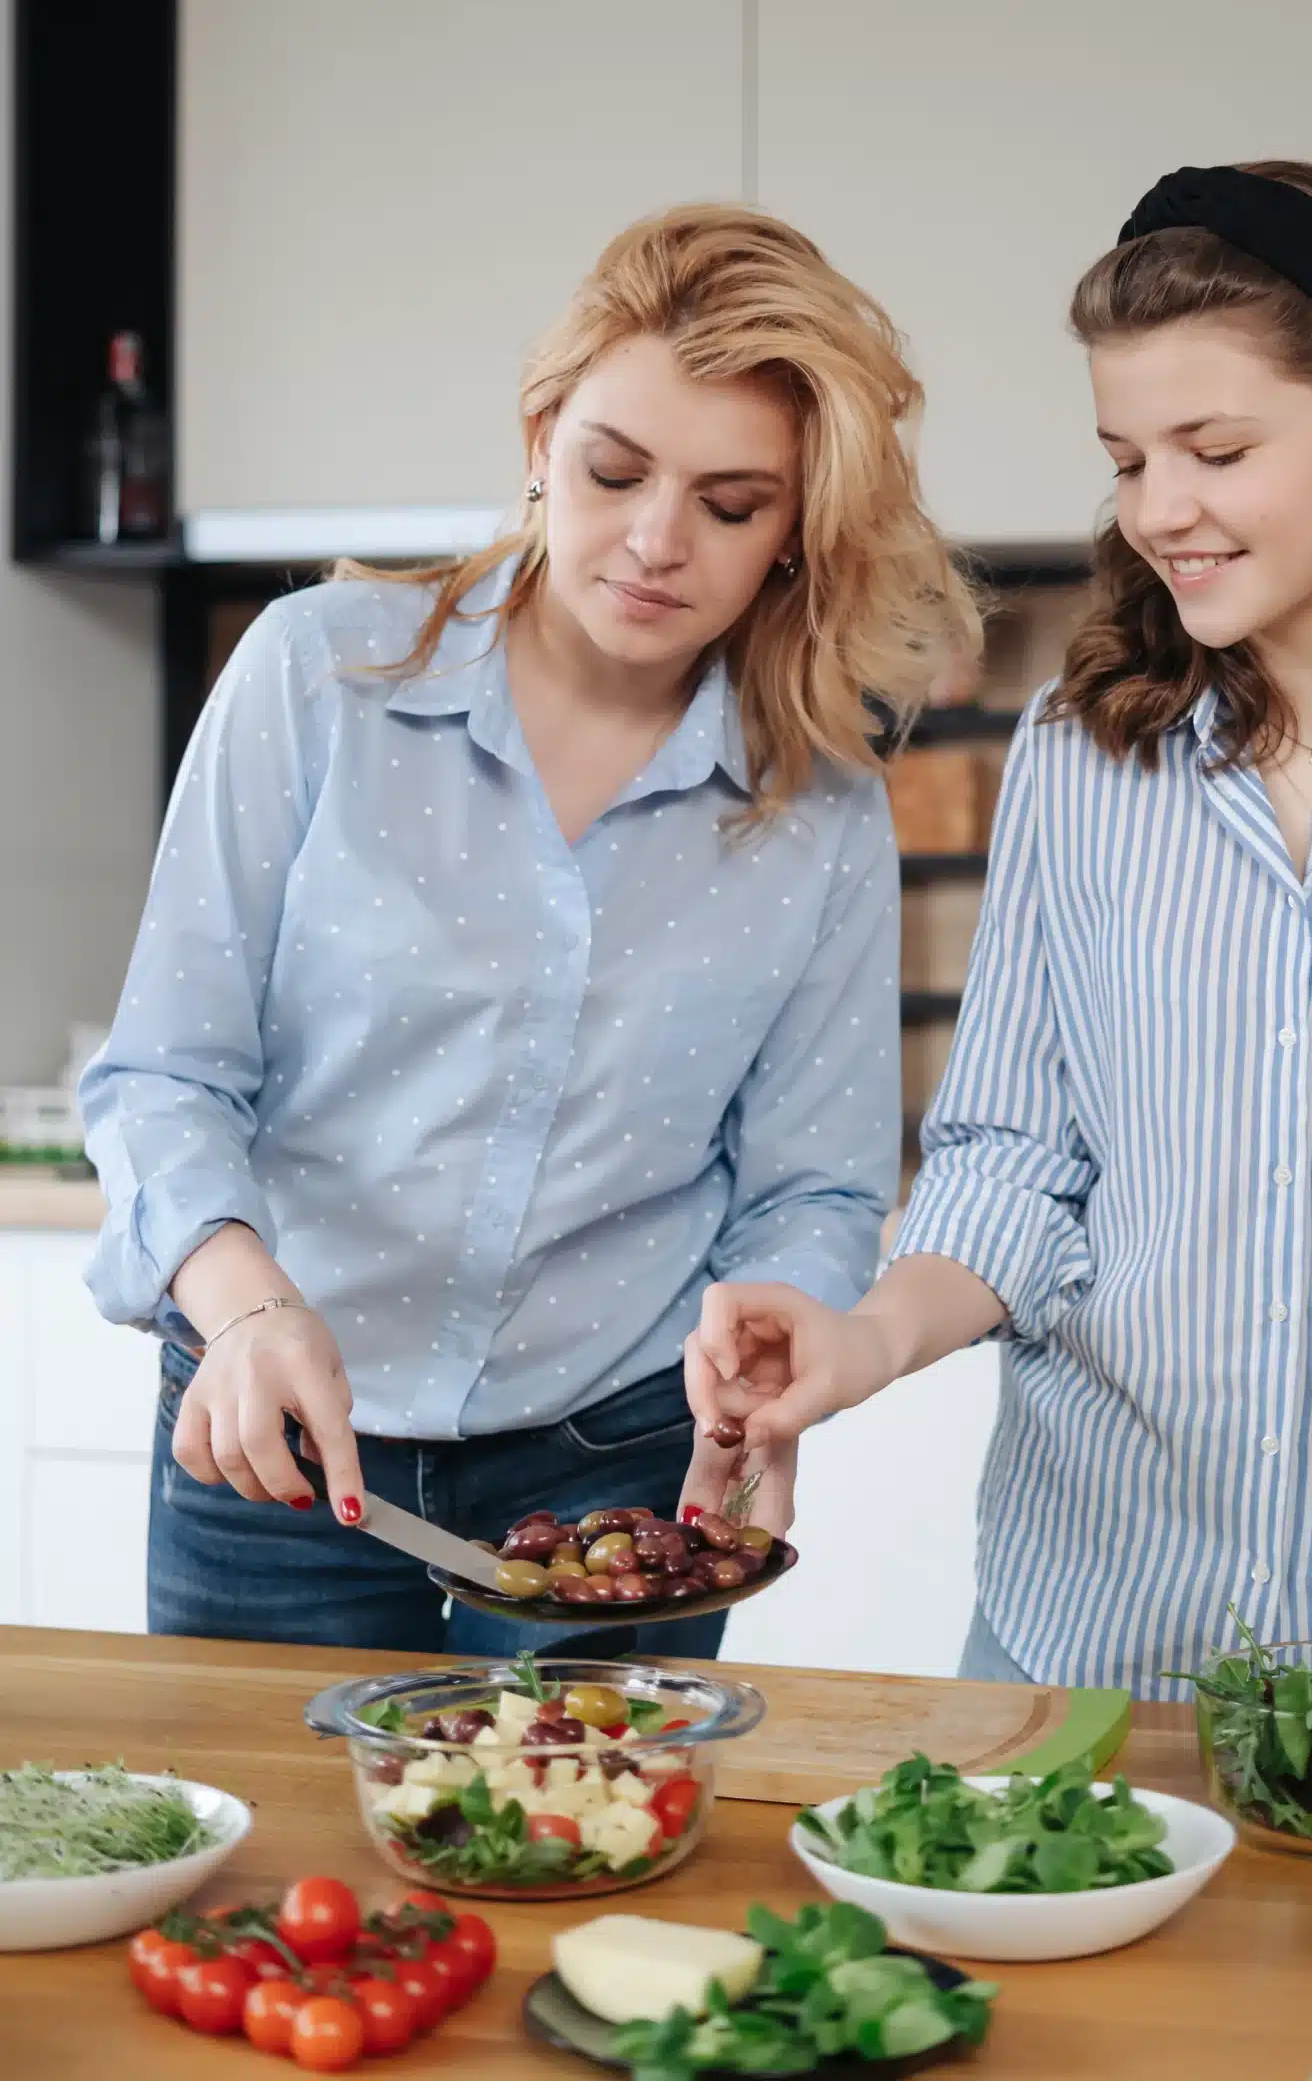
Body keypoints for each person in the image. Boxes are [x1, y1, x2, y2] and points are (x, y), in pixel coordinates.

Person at [684, 161, 1312, 1752]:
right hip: (1077, 1645)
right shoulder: (1082, 757)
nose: (1160, 509)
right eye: (1128, 459)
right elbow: (1016, 1162)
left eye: (1216, 450)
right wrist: (866, 1337)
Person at [82, 203, 977, 1657]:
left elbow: (812, 1188)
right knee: (272, 1876)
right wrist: (241, 1312)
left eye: (732, 505)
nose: (654, 540)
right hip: (276, 1440)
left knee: (586, 1868)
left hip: (617, 1471)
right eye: (611, 469)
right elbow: (165, 1076)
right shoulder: (321, 678)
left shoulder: (814, 805)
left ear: (796, 534)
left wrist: (773, 1338)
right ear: (539, 436)